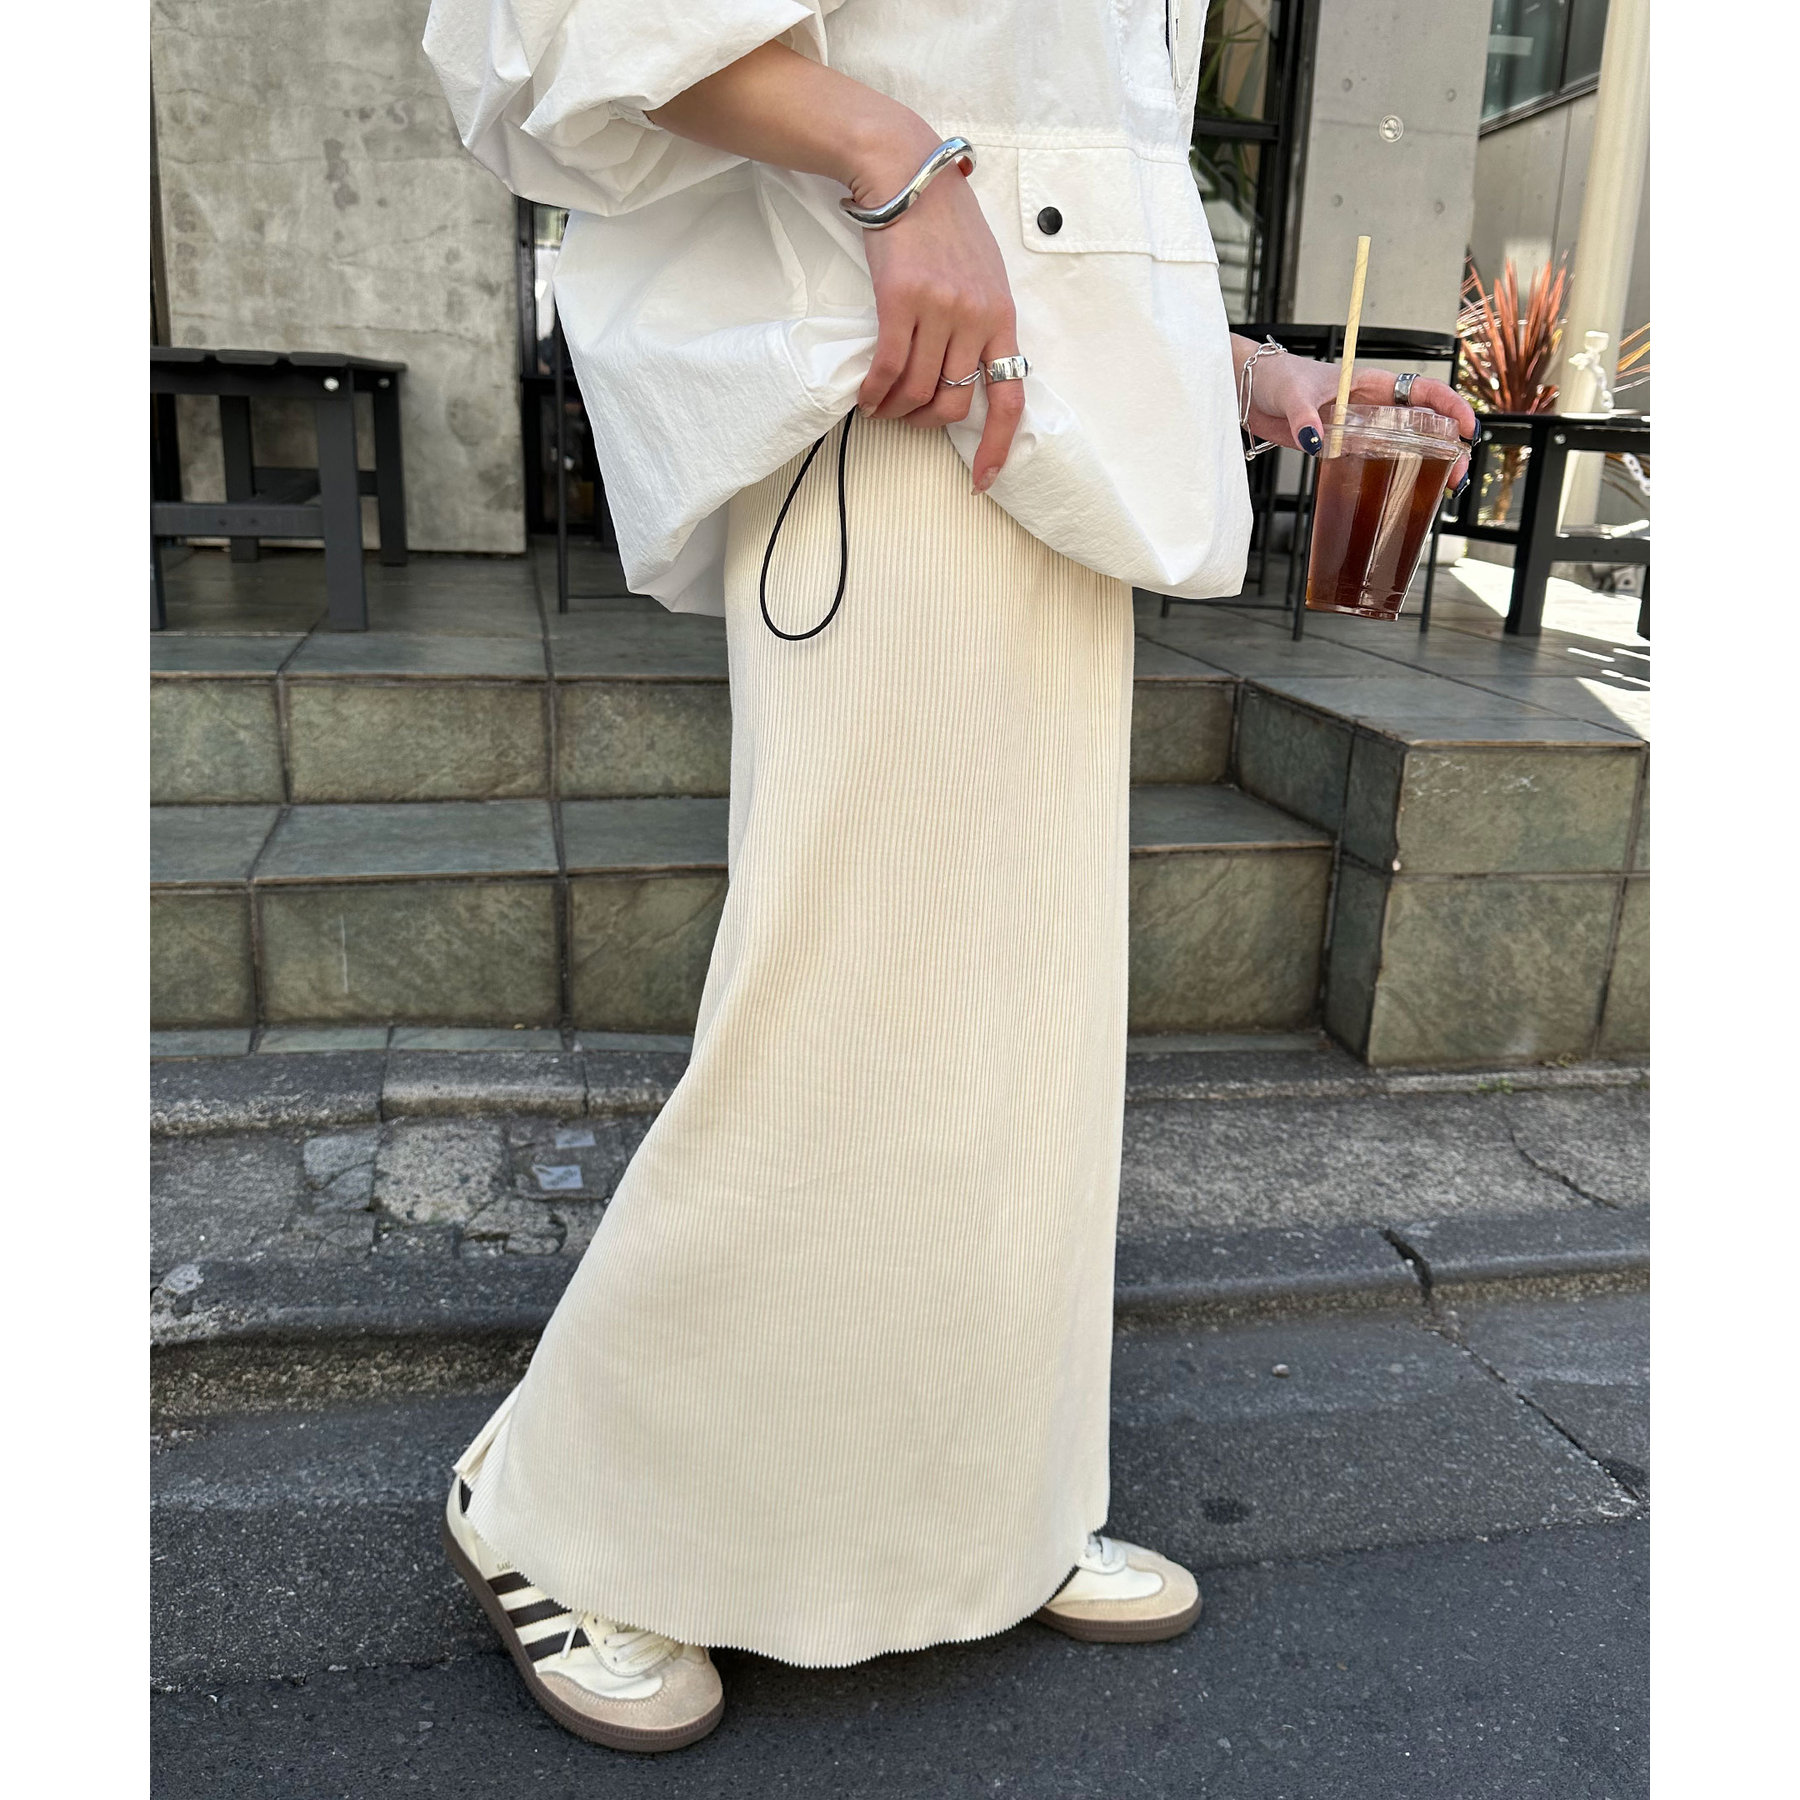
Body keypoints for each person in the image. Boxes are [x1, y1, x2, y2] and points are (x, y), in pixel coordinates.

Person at [422, 0, 1475, 1755]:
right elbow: (557, 29)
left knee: (1021, 1032)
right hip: (896, 411)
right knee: (850, 1012)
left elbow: (1044, 132)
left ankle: (988, 1513)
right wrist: (894, 164)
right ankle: (556, 1507)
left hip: (1041, 440)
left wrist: (1234, 371)